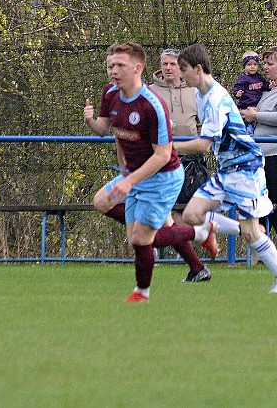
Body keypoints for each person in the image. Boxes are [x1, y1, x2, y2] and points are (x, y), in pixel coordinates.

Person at [86, 42, 216, 302]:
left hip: (163, 177)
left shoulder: (152, 105)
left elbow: (163, 155)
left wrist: (129, 180)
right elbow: (111, 130)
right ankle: (197, 242)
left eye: (120, 65)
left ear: (138, 68)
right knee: (103, 203)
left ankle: (142, 292)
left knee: (142, 239)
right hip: (135, 174)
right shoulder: (110, 93)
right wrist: (122, 163)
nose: (113, 71)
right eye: (110, 65)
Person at [173, 43, 277, 294]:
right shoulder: (200, 94)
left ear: (198, 69)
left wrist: (168, 147)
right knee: (192, 216)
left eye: (183, 69)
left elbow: (205, 145)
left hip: (246, 169)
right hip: (229, 170)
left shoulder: (216, 98)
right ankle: (233, 229)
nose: (180, 75)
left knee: (252, 234)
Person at [240, 47, 277, 259]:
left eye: (270, 64)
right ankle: (260, 254)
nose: (265, 68)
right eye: (264, 63)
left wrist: (257, 115)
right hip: (259, 155)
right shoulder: (266, 89)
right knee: (259, 205)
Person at [150, 48, 209, 224]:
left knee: (186, 209)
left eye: (172, 64)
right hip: (160, 157)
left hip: (191, 159)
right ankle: (152, 248)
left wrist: (200, 141)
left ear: (180, 67)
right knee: (159, 207)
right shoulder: (149, 92)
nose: (168, 68)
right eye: (165, 64)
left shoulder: (195, 91)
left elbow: (202, 123)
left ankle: (183, 249)